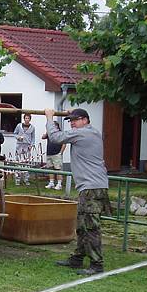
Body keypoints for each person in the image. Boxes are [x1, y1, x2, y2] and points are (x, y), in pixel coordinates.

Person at [45, 107, 110, 275]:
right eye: (71, 120)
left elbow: (55, 137)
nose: (72, 123)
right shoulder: (92, 132)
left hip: (92, 188)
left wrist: (50, 118)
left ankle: (97, 265)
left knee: (91, 227)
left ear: (85, 120)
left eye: (76, 120)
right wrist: (73, 112)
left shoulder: (83, 133)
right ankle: (77, 259)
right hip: (92, 186)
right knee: (82, 226)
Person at [13, 114, 36, 185]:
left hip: (27, 146)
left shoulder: (32, 127)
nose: (27, 119)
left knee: (26, 163)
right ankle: (17, 179)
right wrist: (18, 137)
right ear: (24, 119)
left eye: (28, 118)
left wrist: (31, 145)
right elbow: (14, 133)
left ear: (30, 119)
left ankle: (26, 179)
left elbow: (33, 137)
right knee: (18, 163)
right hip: (19, 146)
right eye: (26, 118)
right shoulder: (19, 126)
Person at [42, 121, 66, 190]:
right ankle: (51, 183)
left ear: (57, 127)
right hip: (49, 153)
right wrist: (47, 132)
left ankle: (59, 184)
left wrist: (61, 153)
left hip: (57, 154)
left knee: (58, 169)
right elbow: (43, 137)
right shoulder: (50, 134)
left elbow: (64, 144)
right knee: (50, 169)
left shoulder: (60, 133)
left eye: (54, 126)